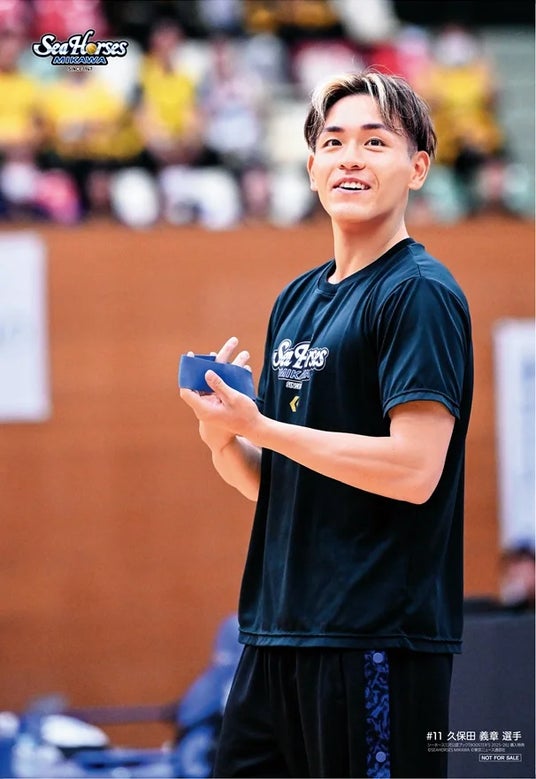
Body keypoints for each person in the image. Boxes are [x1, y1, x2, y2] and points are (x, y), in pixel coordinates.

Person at [180, 68, 474, 778]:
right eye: (333, 142)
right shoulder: (297, 298)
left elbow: (414, 469)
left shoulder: (420, 295)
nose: (350, 158)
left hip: (374, 640)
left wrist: (265, 429)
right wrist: (224, 438)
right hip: (276, 637)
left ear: (417, 168)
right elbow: (283, 485)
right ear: (312, 168)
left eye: (375, 142)